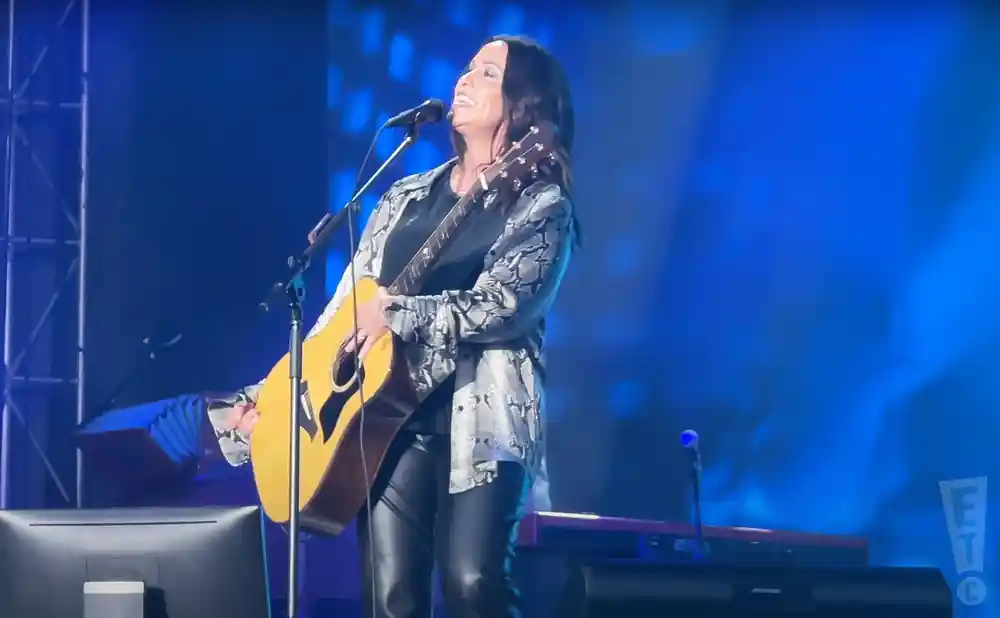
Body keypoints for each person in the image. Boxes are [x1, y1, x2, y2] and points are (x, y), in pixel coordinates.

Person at [209, 35, 577, 618]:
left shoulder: (540, 203)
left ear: (523, 102)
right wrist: (262, 401)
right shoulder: (405, 195)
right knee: (390, 597)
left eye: (485, 73)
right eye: (466, 68)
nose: (463, 80)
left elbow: (505, 304)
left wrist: (398, 312)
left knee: (473, 583)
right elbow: (339, 319)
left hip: (479, 422)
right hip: (382, 421)